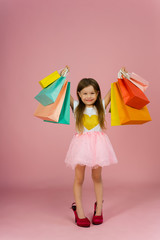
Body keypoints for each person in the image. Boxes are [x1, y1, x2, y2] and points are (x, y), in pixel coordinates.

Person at [61, 66, 119, 227]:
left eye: (92, 93)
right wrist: (61, 79)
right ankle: (79, 210)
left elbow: (114, 90)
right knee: (79, 178)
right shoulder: (77, 106)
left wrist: (121, 77)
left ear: (98, 93)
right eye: (85, 93)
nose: (89, 96)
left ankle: (99, 208)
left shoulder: (101, 104)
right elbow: (63, 92)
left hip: (98, 146)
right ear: (79, 94)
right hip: (80, 146)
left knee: (97, 177)